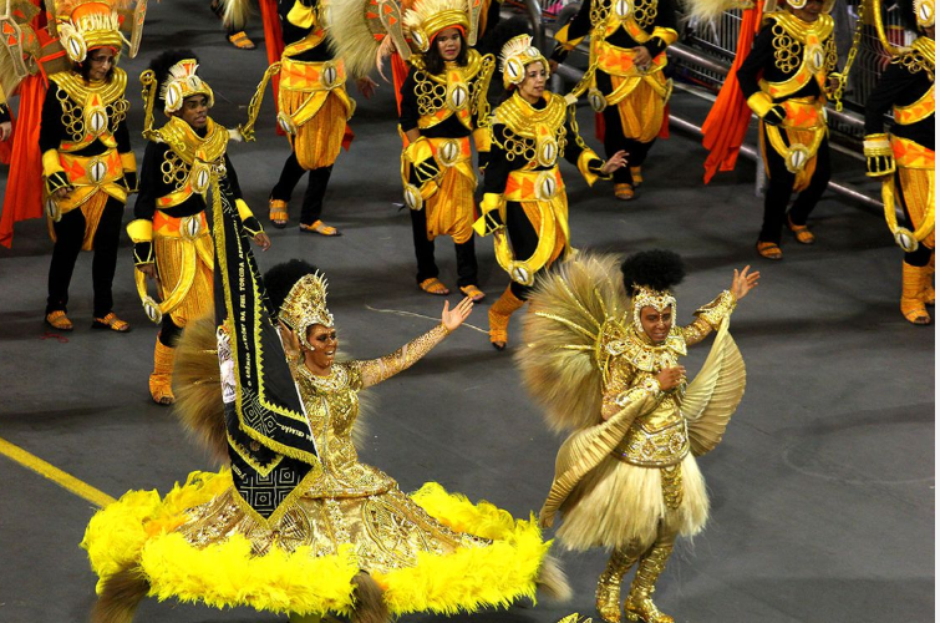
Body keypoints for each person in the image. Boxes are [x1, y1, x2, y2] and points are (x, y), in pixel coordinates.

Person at [82, 258, 569, 623]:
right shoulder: (279, 382)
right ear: (297, 338)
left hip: (354, 486)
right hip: (295, 490)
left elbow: (393, 362)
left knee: (430, 546)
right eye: (321, 337)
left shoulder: (344, 376)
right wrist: (237, 342)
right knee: (293, 573)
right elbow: (236, 389)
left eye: (333, 335)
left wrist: (440, 332)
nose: (332, 344)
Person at [517, 251, 759, 623]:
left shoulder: (672, 340)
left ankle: (641, 598)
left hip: (674, 454)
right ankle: (609, 590)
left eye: (665, 317)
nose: (661, 325)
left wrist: (731, 297)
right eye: (652, 318)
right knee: (635, 536)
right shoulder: (623, 353)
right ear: (637, 314)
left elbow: (700, 328)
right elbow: (610, 408)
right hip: (638, 457)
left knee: (666, 536)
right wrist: (653, 384)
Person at [128, 51, 271, 404]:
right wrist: (143, 256)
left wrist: (252, 227)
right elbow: (145, 201)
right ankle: (161, 377)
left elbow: (231, 191)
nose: (201, 109)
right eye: (192, 105)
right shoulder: (161, 146)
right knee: (179, 316)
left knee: (213, 311)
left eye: (202, 102)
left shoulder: (216, 141)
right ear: (176, 109)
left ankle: (204, 375)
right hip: (171, 238)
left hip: (205, 235)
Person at [475, 34, 626, 349]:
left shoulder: (557, 107)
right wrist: (490, 209)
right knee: (530, 271)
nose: (540, 79)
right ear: (516, 78)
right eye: (532, 75)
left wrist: (601, 167)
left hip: (555, 198)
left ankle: (536, 327)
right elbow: (498, 169)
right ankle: (499, 314)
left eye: (542, 73)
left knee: (555, 267)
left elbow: (573, 147)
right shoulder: (505, 118)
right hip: (521, 200)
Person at [38, 1, 141, 332]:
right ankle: (55, 306)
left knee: (109, 244)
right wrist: (55, 178)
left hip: (109, 177)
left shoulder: (117, 84)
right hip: (73, 178)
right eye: (99, 59)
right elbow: (47, 141)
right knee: (68, 243)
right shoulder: (60, 89)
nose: (106, 64)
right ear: (81, 57)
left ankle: (103, 310)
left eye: (110, 58)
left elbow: (120, 130)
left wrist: (128, 169)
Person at [397, 0, 495, 300]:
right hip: (426, 155)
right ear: (432, 42)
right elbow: (408, 119)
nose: (450, 44)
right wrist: (420, 153)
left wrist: (485, 154)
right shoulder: (420, 73)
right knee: (423, 218)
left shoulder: (475, 69)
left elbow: (479, 116)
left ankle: (468, 278)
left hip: (461, 157)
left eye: (454, 37)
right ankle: (426, 274)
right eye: (442, 39)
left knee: (465, 217)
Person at [736, 0, 839, 259]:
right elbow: (746, 73)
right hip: (781, 117)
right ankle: (768, 236)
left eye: (819, 1)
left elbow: (830, 67)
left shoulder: (826, 28)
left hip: (814, 115)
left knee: (821, 175)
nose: (815, 7)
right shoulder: (774, 30)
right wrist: (763, 106)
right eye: (809, 1)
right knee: (782, 181)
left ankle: (796, 217)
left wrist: (834, 81)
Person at [549, 0, 678, 200]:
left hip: (646, 71)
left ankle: (635, 159)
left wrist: (651, 49)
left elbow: (669, 27)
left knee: (650, 127)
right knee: (616, 126)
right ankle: (621, 177)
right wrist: (557, 56)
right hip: (608, 68)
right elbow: (581, 23)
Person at [266, 0, 366, 236]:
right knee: (306, 152)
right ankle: (280, 194)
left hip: (333, 80)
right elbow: (291, 33)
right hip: (303, 82)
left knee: (329, 149)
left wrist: (358, 72)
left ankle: (310, 217)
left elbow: (346, 38)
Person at [863, 0, 935, 324]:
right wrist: (877, 147)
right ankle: (911, 297)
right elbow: (875, 106)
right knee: (922, 234)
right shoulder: (910, 64)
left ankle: (927, 286)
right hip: (916, 161)